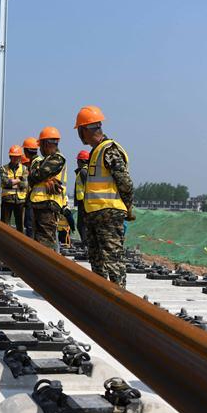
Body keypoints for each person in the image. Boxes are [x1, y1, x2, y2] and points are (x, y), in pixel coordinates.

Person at [75, 105, 135, 288]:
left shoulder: (109, 150)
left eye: (80, 130)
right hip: (95, 215)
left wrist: (128, 207)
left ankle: (120, 300)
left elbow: (125, 183)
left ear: (84, 130)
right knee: (97, 260)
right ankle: (101, 296)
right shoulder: (96, 151)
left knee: (113, 261)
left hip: (108, 214)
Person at [27, 126, 67, 250]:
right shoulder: (45, 160)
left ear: (46, 143)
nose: (40, 149)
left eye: (41, 145)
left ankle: (47, 267)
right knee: (39, 240)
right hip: (40, 204)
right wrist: (46, 179)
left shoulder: (57, 158)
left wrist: (41, 177)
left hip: (48, 204)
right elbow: (32, 177)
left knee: (45, 242)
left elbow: (37, 175)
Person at [0, 145, 27, 232]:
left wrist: (12, 183)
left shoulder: (24, 168)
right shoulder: (3, 168)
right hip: (7, 200)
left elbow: (24, 184)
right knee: (4, 225)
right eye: (13, 157)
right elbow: (5, 182)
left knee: (20, 226)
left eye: (17, 157)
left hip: (20, 201)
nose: (15, 159)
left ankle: (20, 244)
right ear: (10, 157)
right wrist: (19, 179)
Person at [21, 137, 39, 237]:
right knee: (29, 225)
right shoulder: (36, 162)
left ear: (27, 151)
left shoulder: (36, 163)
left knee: (30, 225)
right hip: (33, 199)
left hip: (35, 200)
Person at [73, 149, 90, 248]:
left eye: (78, 160)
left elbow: (88, 187)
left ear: (81, 161)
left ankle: (86, 244)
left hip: (83, 202)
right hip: (83, 202)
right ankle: (85, 243)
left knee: (81, 225)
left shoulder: (83, 172)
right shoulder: (85, 171)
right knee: (82, 225)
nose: (77, 162)